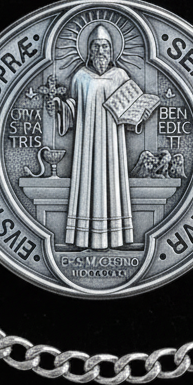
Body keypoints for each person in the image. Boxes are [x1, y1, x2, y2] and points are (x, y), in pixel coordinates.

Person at [49, 25, 135, 250]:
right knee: (87, 180)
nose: (100, 51)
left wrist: (139, 112)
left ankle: (115, 237)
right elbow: (73, 107)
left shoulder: (120, 76)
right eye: (96, 46)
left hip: (113, 143)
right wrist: (60, 107)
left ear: (112, 50)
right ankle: (84, 237)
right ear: (89, 50)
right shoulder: (80, 77)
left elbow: (130, 107)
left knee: (113, 181)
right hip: (86, 143)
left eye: (105, 46)